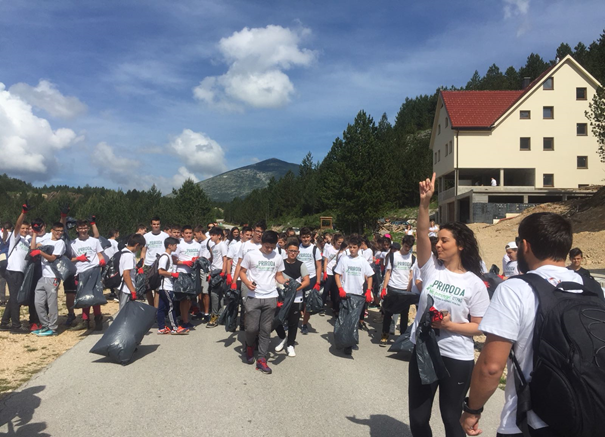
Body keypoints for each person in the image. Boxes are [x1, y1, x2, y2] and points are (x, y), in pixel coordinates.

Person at [460, 213, 588, 437]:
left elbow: (491, 367)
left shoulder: (515, 289)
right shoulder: (593, 288)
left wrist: (472, 410)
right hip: (586, 416)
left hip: (528, 421)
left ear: (525, 246)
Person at [410, 173, 490, 437]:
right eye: (438, 240)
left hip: (456, 356)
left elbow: (480, 327)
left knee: (450, 418)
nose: (438, 244)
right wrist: (424, 203)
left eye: (444, 240)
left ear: (461, 245)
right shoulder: (431, 269)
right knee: (419, 419)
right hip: (424, 351)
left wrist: (449, 325)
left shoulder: (474, 283)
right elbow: (422, 233)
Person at [239, 230, 286, 374]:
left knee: (266, 330)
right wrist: (247, 283)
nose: (270, 249)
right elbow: (242, 271)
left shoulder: (277, 257)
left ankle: (261, 359)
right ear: (262, 243)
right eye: (267, 246)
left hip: (271, 297)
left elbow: (278, 275)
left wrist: (286, 282)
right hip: (254, 296)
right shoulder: (251, 255)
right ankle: (249, 346)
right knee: (252, 328)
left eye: (272, 247)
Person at [333, 234, 374, 355]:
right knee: (344, 318)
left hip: (358, 295)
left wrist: (368, 290)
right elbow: (337, 274)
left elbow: (370, 276)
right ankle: (343, 340)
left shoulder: (362, 261)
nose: (352, 249)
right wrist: (340, 288)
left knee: (354, 320)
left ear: (359, 248)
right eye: (350, 247)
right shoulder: (344, 260)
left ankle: (351, 341)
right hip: (346, 294)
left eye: (354, 247)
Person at [274, 239, 310, 357]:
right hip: (281, 298)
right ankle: (282, 337)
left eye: (295, 251)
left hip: (296, 298)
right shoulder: (280, 263)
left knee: (293, 323)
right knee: (276, 320)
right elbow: (276, 276)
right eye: (290, 251)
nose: (293, 253)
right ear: (286, 251)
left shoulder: (301, 265)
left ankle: (290, 344)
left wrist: (295, 289)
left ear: (298, 252)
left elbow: (307, 281)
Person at [30, 222, 66, 336]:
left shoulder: (60, 243)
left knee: (52, 304)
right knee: (38, 302)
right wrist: (35, 234)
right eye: (57, 230)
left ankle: (53, 328)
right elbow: (33, 247)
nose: (59, 233)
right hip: (43, 276)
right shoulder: (46, 241)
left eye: (61, 231)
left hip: (53, 277)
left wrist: (40, 252)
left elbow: (52, 258)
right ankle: (45, 325)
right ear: (52, 230)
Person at [69, 219, 106, 331]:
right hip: (81, 272)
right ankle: (85, 321)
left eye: (85, 228)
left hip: (94, 270)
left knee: (95, 295)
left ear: (88, 228)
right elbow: (69, 259)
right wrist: (78, 258)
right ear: (77, 229)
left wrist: (102, 260)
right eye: (81, 228)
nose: (83, 230)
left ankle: (98, 319)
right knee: (83, 296)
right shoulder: (73, 243)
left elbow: (99, 253)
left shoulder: (94, 241)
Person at [0, 203, 31, 333]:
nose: (24, 230)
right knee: (15, 297)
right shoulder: (15, 237)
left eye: (26, 228)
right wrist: (23, 213)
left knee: (14, 296)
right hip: (13, 270)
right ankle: (16, 326)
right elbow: (17, 225)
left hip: (20, 271)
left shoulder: (26, 241)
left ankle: (4, 323)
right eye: (23, 228)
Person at [380, 236, 416, 345]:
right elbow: (388, 272)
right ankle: (385, 334)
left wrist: (408, 291)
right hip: (393, 287)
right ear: (402, 243)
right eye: (405, 246)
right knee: (388, 312)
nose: (407, 249)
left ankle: (402, 337)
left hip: (405, 289)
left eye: (409, 247)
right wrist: (384, 288)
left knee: (404, 315)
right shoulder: (393, 256)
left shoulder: (413, 258)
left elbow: (411, 275)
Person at [174, 225, 201, 330]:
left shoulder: (197, 245)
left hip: (193, 274)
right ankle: (185, 320)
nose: (188, 235)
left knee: (190, 299)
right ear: (182, 234)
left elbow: (201, 257)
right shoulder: (179, 244)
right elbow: (174, 259)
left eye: (190, 233)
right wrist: (185, 262)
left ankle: (185, 318)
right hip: (182, 273)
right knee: (184, 299)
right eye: (186, 233)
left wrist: (197, 260)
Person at [297, 227, 323, 335]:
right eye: (303, 237)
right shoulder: (297, 248)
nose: (305, 239)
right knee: (297, 302)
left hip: (311, 278)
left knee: (307, 304)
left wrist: (317, 282)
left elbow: (319, 266)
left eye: (307, 237)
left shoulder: (315, 249)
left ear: (311, 237)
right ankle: (291, 321)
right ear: (300, 238)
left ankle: (304, 324)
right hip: (299, 278)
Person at [140, 217, 169, 307]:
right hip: (148, 265)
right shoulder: (146, 236)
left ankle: (155, 311)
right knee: (147, 288)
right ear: (151, 225)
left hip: (160, 265)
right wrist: (141, 264)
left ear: (160, 225)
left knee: (157, 290)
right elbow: (143, 251)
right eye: (154, 224)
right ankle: (151, 307)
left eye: (157, 224)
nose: (156, 226)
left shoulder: (165, 236)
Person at [157, 237, 182, 334]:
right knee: (171, 307)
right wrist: (172, 274)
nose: (176, 247)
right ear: (169, 245)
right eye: (175, 245)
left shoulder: (168, 256)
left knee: (162, 308)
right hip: (166, 286)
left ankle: (161, 327)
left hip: (165, 286)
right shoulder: (165, 257)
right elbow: (160, 271)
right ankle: (174, 328)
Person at [206, 226, 228, 328]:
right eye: (210, 234)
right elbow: (214, 259)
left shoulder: (222, 245)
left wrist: (223, 272)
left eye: (213, 235)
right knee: (218, 294)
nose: (211, 236)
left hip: (219, 271)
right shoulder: (214, 247)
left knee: (214, 294)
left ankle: (214, 317)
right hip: (213, 271)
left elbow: (225, 259)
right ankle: (221, 315)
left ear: (219, 236)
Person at [116, 234, 145, 310]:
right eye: (140, 247)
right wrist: (133, 291)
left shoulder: (122, 251)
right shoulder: (129, 255)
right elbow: (126, 274)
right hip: (126, 288)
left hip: (121, 285)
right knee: (124, 311)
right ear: (137, 245)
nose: (139, 250)